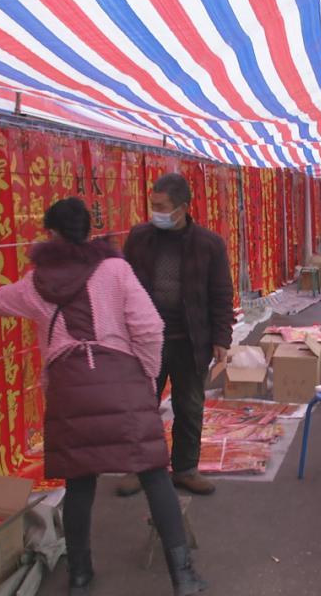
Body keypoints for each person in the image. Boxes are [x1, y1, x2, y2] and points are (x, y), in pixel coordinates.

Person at [0, 198, 206, 595]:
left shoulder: (36, 281)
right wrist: (145, 379)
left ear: (51, 233)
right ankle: (183, 576)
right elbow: (149, 329)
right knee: (154, 476)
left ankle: (80, 575)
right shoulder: (115, 270)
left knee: (79, 485)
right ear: (90, 231)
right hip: (123, 380)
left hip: (69, 389)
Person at [120, 173, 235, 497]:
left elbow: (221, 293)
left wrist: (221, 338)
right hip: (146, 340)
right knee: (141, 407)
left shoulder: (208, 244)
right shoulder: (139, 238)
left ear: (183, 207)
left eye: (161, 206)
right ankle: (139, 468)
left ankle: (185, 469)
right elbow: (124, 286)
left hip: (189, 339)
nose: (154, 212)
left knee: (189, 406)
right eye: (152, 205)